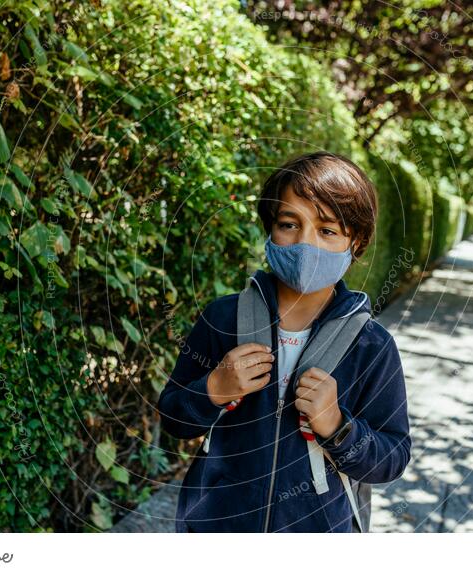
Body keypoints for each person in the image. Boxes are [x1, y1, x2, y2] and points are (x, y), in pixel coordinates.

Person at [157, 151, 411, 532]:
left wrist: (338, 426)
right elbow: (172, 417)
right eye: (289, 224)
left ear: (355, 243)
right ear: (270, 229)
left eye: (327, 231)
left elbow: (393, 456)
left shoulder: (371, 347)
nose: (305, 244)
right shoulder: (223, 319)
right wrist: (212, 389)